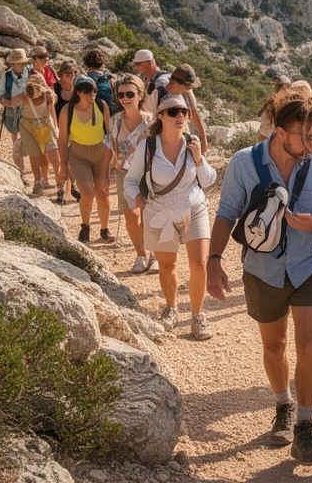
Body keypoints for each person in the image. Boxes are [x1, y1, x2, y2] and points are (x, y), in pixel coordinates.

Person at [206, 90, 312, 465]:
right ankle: (282, 404)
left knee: (311, 346)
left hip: (309, 265)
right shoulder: (243, 163)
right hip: (262, 270)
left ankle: (304, 426)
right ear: (282, 132)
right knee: (274, 346)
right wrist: (213, 261)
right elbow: (226, 213)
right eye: (308, 136)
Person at [126, 94, 218, 340]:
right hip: (160, 212)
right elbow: (131, 181)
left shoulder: (192, 144)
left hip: (193, 208)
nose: (180, 117)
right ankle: (171, 307)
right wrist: (136, 198)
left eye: (184, 112)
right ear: (161, 116)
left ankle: (198, 316)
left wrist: (198, 158)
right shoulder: (148, 146)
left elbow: (208, 180)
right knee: (167, 264)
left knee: (199, 264)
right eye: (174, 112)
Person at [58, 75, 113, 244]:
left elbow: (109, 135)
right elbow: (62, 140)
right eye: (88, 91)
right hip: (78, 155)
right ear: (78, 92)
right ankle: (85, 227)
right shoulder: (67, 111)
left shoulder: (101, 106)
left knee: (103, 194)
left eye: (94, 91)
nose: (92, 94)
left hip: (100, 154)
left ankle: (104, 229)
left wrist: (111, 160)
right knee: (87, 192)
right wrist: (63, 166)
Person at [112, 75, 156, 274]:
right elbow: (108, 147)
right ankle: (141, 255)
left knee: (149, 214)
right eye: (121, 94)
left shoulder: (152, 122)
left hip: (149, 174)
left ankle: (154, 253)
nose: (125, 98)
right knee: (131, 216)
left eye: (130, 93)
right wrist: (105, 175)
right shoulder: (115, 121)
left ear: (140, 95)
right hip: (123, 172)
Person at [18, 73, 63, 196]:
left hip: (43, 128)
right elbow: (52, 115)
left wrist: (56, 129)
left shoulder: (46, 96)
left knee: (53, 159)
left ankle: (57, 185)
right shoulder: (26, 96)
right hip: (42, 128)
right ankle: (45, 183)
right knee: (38, 156)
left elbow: (52, 113)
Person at [145, 64, 208, 147]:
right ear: (177, 83)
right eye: (187, 87)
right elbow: (148, 122)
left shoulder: (185, 94)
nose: (188, 89)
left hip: (183, 140)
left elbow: (194, 114)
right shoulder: (156, 95)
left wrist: (204, 140)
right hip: (162, 143)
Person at [0, 48, 32, 174]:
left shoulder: (30, 73)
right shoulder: (6, 76)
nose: (22, 65)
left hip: (27, 109)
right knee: (14, 133)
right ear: (14, 63)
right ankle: (19, 165)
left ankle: (25, 157)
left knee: (26, 135)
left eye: (23, 63)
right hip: (11, 109)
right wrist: (2, 99)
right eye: (20, 63)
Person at [30, 46, 58, 184]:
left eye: (46, 56)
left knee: (50, 145)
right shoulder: (29, 73)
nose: (45, 59)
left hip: (50, 110)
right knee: (42, 148)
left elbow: (52, 88)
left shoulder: (48, 70)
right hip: (37, 113)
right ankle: (44, 178)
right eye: (41, 56)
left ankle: (47, 177)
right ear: (34, 58)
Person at [52, 60, 78, 205]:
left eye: (73, 73)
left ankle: (72, 189)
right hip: (59, 130)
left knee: (72, 160)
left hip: (75, 129)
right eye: (67, 74)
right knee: (60, 161)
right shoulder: (54, 89)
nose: (71, 76)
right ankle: (60, 190)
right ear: (61, 75)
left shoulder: (77, 90)